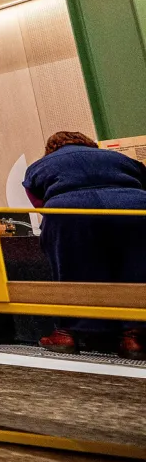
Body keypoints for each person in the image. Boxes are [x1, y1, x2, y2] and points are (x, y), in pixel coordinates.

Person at [23, 131, 146, 358]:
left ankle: (66, 334)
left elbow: (39, 203)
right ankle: (134, 336)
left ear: (51, 148)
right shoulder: (119, 159)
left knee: (69, 269)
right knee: (137, 267)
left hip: (70, 213)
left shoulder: (40, 165)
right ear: (90, 144)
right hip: (134, 207)